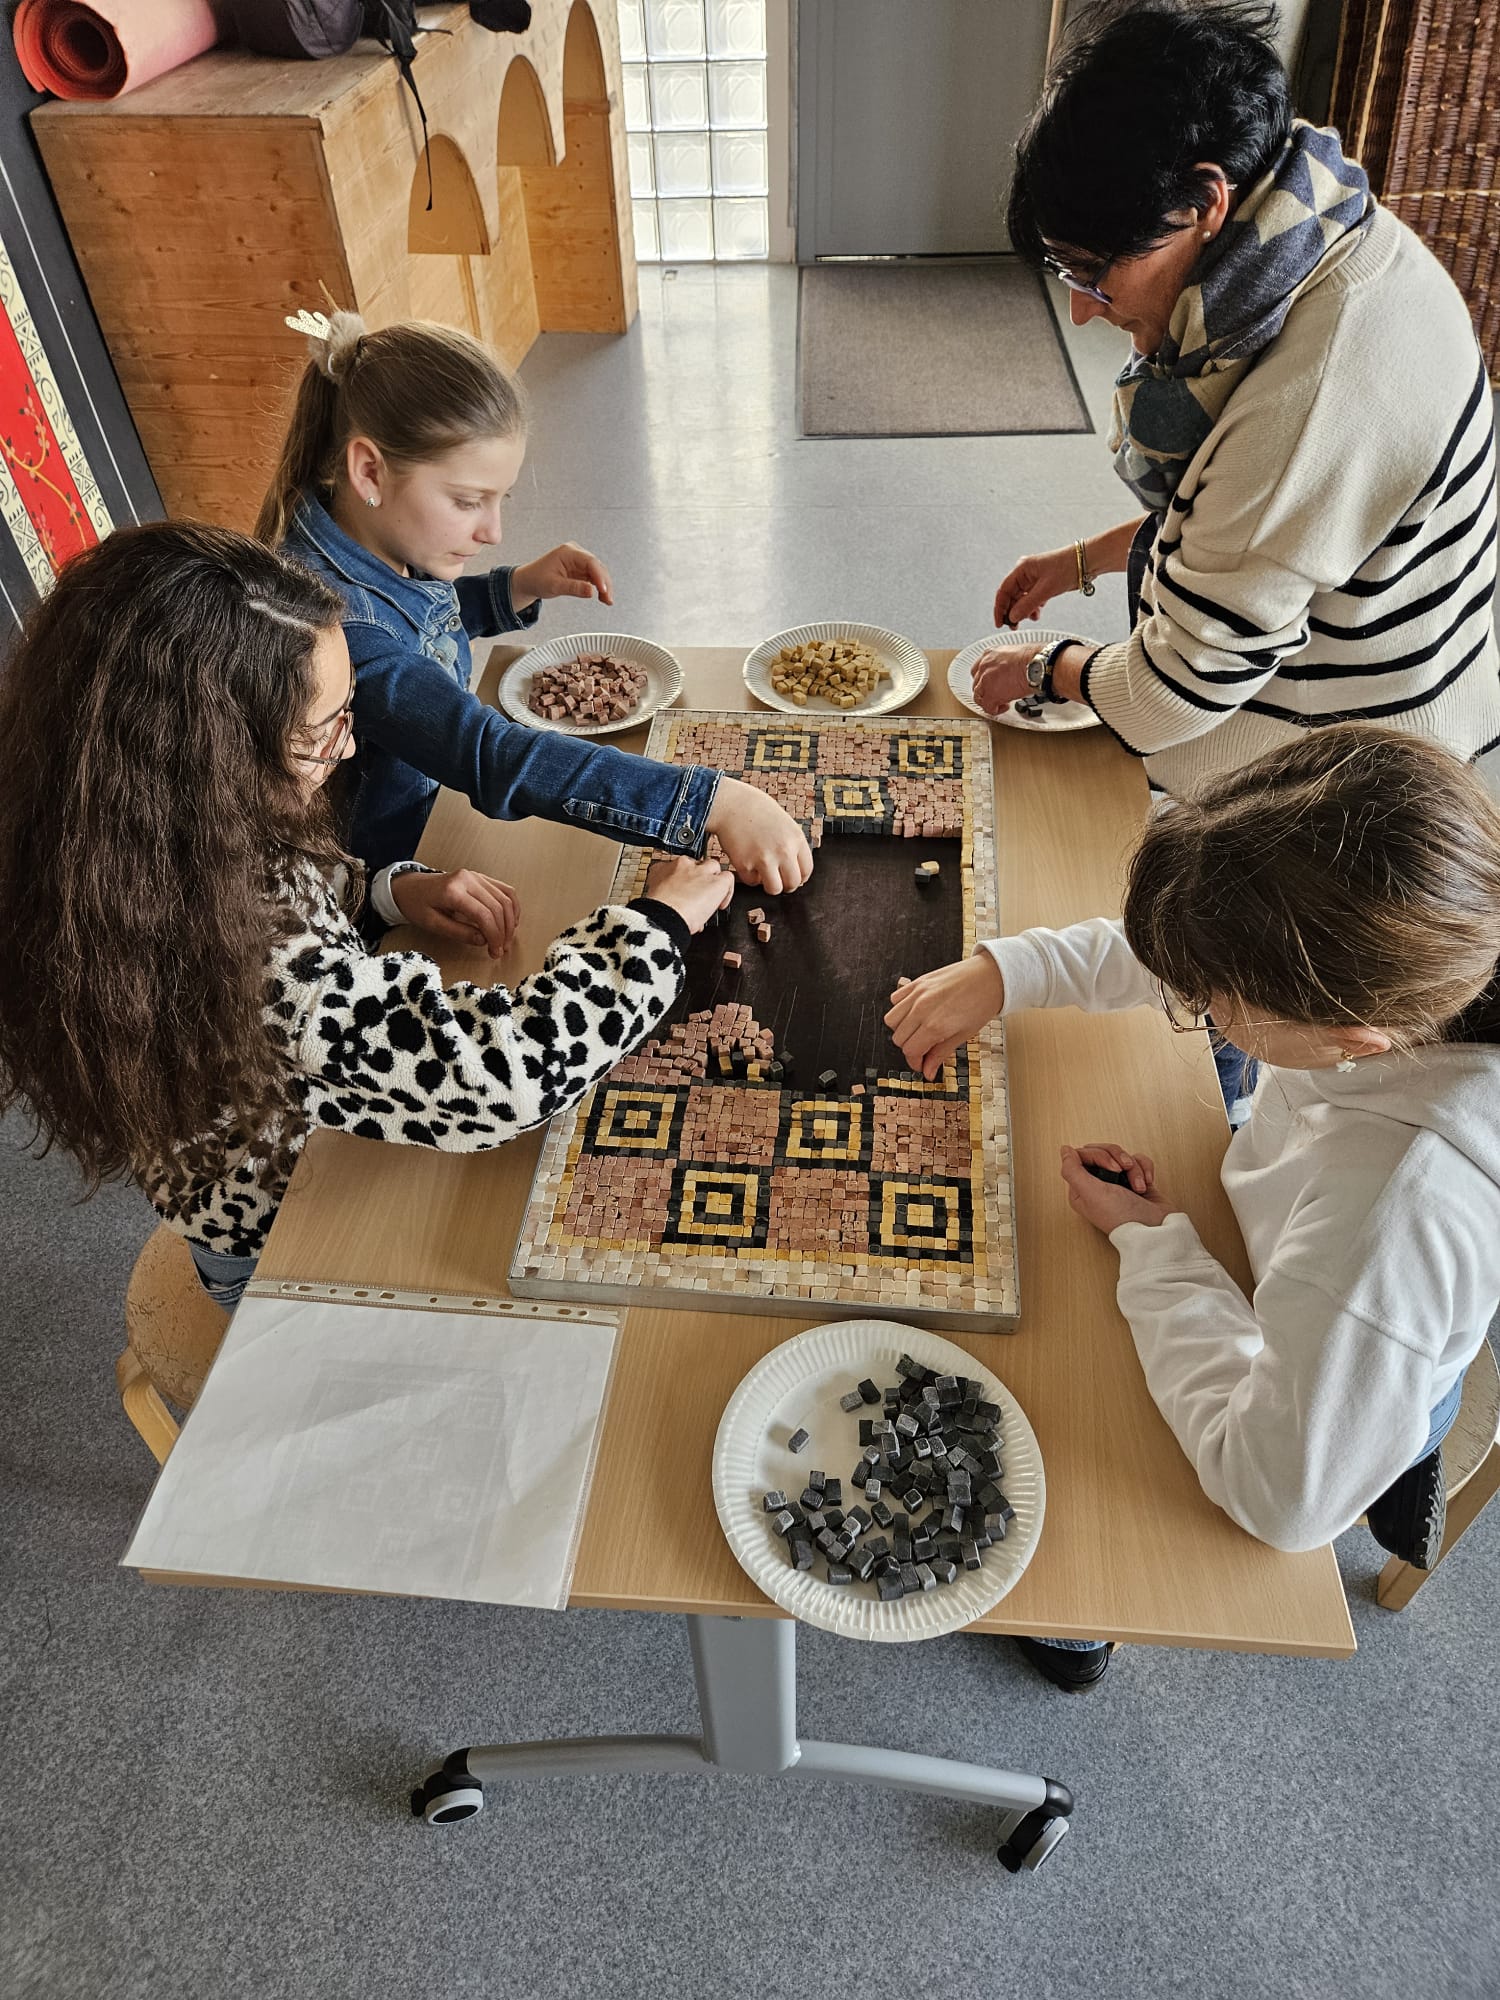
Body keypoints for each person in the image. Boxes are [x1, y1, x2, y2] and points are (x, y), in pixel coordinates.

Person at [887, 725, 1500, 1690]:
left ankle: (1078, 1619)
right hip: (1287, 1262)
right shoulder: (1420, 953)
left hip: (1329, 1395)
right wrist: (1009, 971)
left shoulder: (1390, 1223)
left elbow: (1279, 1498)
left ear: (1353, 1037)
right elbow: (1200, 945)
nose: (1195, 1000)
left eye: (1211, 1004)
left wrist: (1159, 1253)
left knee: (1077, 1456)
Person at [0, 523, 733, 1312]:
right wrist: (655, 924)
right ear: (218, 759)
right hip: (280, 1243)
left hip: (304, 1139)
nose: (347, 752)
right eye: (324, 732)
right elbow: (504, 1078)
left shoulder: (126, 833)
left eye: (349, 712)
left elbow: (295, 894)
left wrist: (388, 892)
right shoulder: (257, 949)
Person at [969, 0, 1499, 797]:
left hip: (1341, 774)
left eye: (1092, 271)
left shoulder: (1311, 395)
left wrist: (1048, 666)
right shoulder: (1323, 225)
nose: (1081, 309)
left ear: (1205, 202)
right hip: (1405, 674)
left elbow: (1170, 694)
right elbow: (1267, 523)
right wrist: (1086, 560)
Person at [258, 310, 811, 894]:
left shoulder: (370, 530)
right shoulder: (334, 626)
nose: (493, 531)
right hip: (375, 886)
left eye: (502, 499)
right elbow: (490, 754)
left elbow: (414, 633)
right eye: (468, 501)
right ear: (369, 470)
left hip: (426, 840)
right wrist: (712, 800)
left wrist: (512, 588)